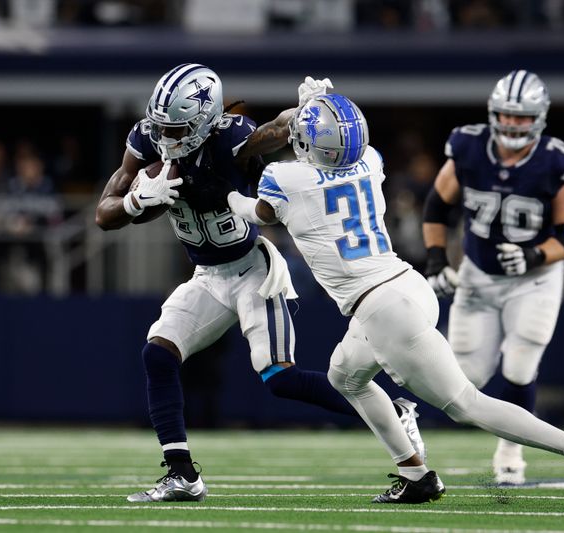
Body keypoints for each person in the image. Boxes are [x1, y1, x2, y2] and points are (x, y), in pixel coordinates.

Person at [224, 90, 564, 503]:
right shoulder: (369, 162)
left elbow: (254, 208)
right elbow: (332, 155)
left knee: (466, 404)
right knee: (344, 376)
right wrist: (318, 104)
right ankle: (416, 475)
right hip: (406, 284)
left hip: (381, 307)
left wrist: (224, 192)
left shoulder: (286, 179)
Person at [95, 64, 426, 503]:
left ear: (205, 119)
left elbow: (279, 129)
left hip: (254, 272)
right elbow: (105, 212)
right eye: (161, 126)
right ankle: (182, 477)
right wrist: (137, 201)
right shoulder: (146, 138)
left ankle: (394, 411)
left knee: (280, 379)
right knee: (158, 352)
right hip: (207, 276)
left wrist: (306, 109)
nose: (166, 138)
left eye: (176, 128)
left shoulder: (231, 137)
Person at [420, 70, 564, 485]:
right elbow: (437, 206)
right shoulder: (468, 146)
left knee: (520, 363)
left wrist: (534, 255)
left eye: (521, 117)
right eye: (507, 116)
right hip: (478, 274)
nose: (512, 124)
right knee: (463, 377)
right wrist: (437, 259)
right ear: (494, 114)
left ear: (539, 118)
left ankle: (511, 452)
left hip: (536, 278)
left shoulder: (556, 159)